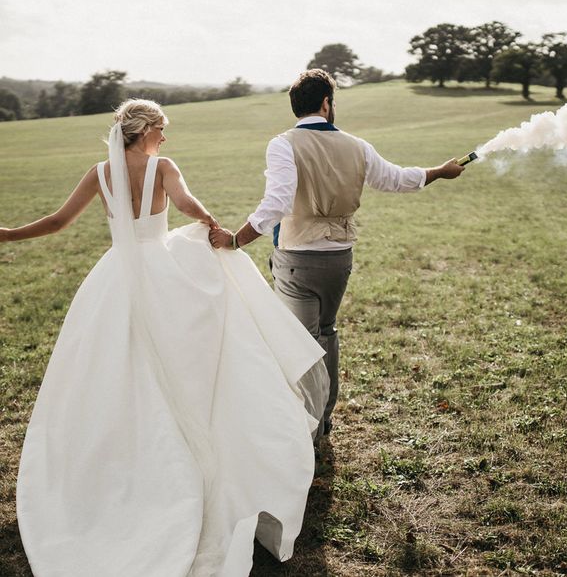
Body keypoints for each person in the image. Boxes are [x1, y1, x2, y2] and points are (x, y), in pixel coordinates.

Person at [1, 99, 329, 576]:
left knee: (113, 358)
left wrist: (7, 234)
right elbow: (186, 204)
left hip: (114, 275)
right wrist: (211, 222)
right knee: (175, 354)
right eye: (162, 130)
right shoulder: (163, 167)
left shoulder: (99, 173)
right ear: (148, 130)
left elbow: (57, 221)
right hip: (159, 269)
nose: (165, 139)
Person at [209, 69, 464, 437]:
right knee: (325, 334)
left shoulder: (283, 143)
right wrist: (440, 171)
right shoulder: (357, 145)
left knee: (299, 342)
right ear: (326, 103)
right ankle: (323, 418)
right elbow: (396, 179)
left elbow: (277, 202)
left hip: (297, 257)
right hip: (340, 258)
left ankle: (306, 428)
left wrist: (237, 240)